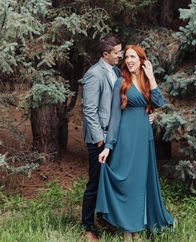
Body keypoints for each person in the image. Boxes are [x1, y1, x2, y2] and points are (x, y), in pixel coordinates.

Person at [96, 45, 173, 238]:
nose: (129, 60)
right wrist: (108, 146)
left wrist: (152, 76)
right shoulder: (121, 82)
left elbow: (159, 103)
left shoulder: (147, 81)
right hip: (125, 139)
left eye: (133, 57)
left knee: (140, 184)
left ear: (141, 60)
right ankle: (126, 232)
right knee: (127, 183)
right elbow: (114, 117)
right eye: (127, 57)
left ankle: (138, 228)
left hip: (144, 140)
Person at [81, 34, 122, 241]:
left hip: (113, 136)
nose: (120, 56)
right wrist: (99, 139)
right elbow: (89, 110)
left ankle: (106, 219)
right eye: (117, 53)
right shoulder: (94, 74)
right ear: (106, 54)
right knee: (95, 182)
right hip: (99, 138)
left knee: (111, 182)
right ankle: (87, 227)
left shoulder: (115, 71)